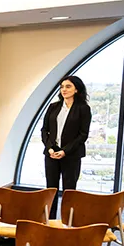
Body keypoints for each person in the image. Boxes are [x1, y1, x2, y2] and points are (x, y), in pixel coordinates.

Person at [41, 75, 92, 220]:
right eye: (62, 87)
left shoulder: (83, 109)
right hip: (51, 153)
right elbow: (44, 130)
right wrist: (50, 148)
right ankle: (49, 221)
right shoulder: (53, 107)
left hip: (71, 154)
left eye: (68, 86)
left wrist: (64, 151)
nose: (64, 89)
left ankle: (67, 222)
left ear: (76, 89)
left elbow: (83, 135)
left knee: (69, 190)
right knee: (51, 189)